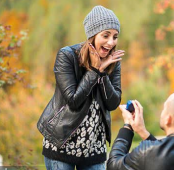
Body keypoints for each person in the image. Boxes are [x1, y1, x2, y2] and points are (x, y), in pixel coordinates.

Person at [37, 5, 124, 170]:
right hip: (61, 144)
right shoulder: (67, 56)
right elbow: (74, 101)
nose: (111, 42)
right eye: (106, 35)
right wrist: (95, 71)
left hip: (94, 149)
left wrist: (103, 73)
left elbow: (113, 104)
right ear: (92, 35)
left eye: (115, 36)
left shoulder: (113, 62)